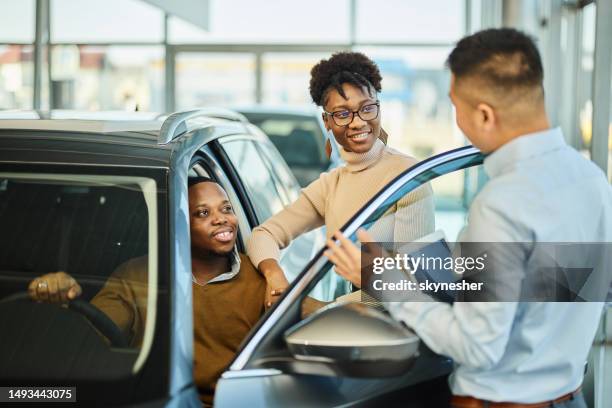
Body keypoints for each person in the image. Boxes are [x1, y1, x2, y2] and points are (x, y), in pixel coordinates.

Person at [325, 28, 612, 407]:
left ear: (484, 114)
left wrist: (384, 280)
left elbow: (476, 346)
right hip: (570, 397)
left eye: (455, 106)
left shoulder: (502, 202)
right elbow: (566, 290)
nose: (456, 120)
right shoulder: (591, 179)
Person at [28, 177, 266, 407]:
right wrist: (64, 298)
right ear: (179, 224)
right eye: (203, 213)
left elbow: (300, 326)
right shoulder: (136, 274)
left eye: (226, 209)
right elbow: (92, 340)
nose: (221, 219)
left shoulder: (261, 280)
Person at [247, 51, 435, 306]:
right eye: (343, 114)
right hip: (350, 313)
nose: (358, 122)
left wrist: (318, 310)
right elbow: (265, 234)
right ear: (327, 121)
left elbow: (415, 285)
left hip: (393, 323)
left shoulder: (409, 177)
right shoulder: (331, 184)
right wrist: (274, 274)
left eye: (367, 109)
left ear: (378, 108)